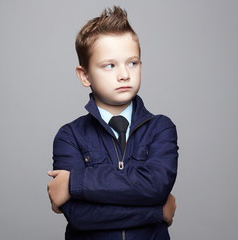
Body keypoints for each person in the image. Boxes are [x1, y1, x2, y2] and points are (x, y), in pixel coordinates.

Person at [47, 6, 178, 240]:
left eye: (132, 63)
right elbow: (80, 216)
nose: (124, 74)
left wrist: (74, 182)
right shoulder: (69, 136)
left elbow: (156, 186)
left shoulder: (161, 128)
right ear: (85, 75)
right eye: (110, 65)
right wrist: (157, 212)